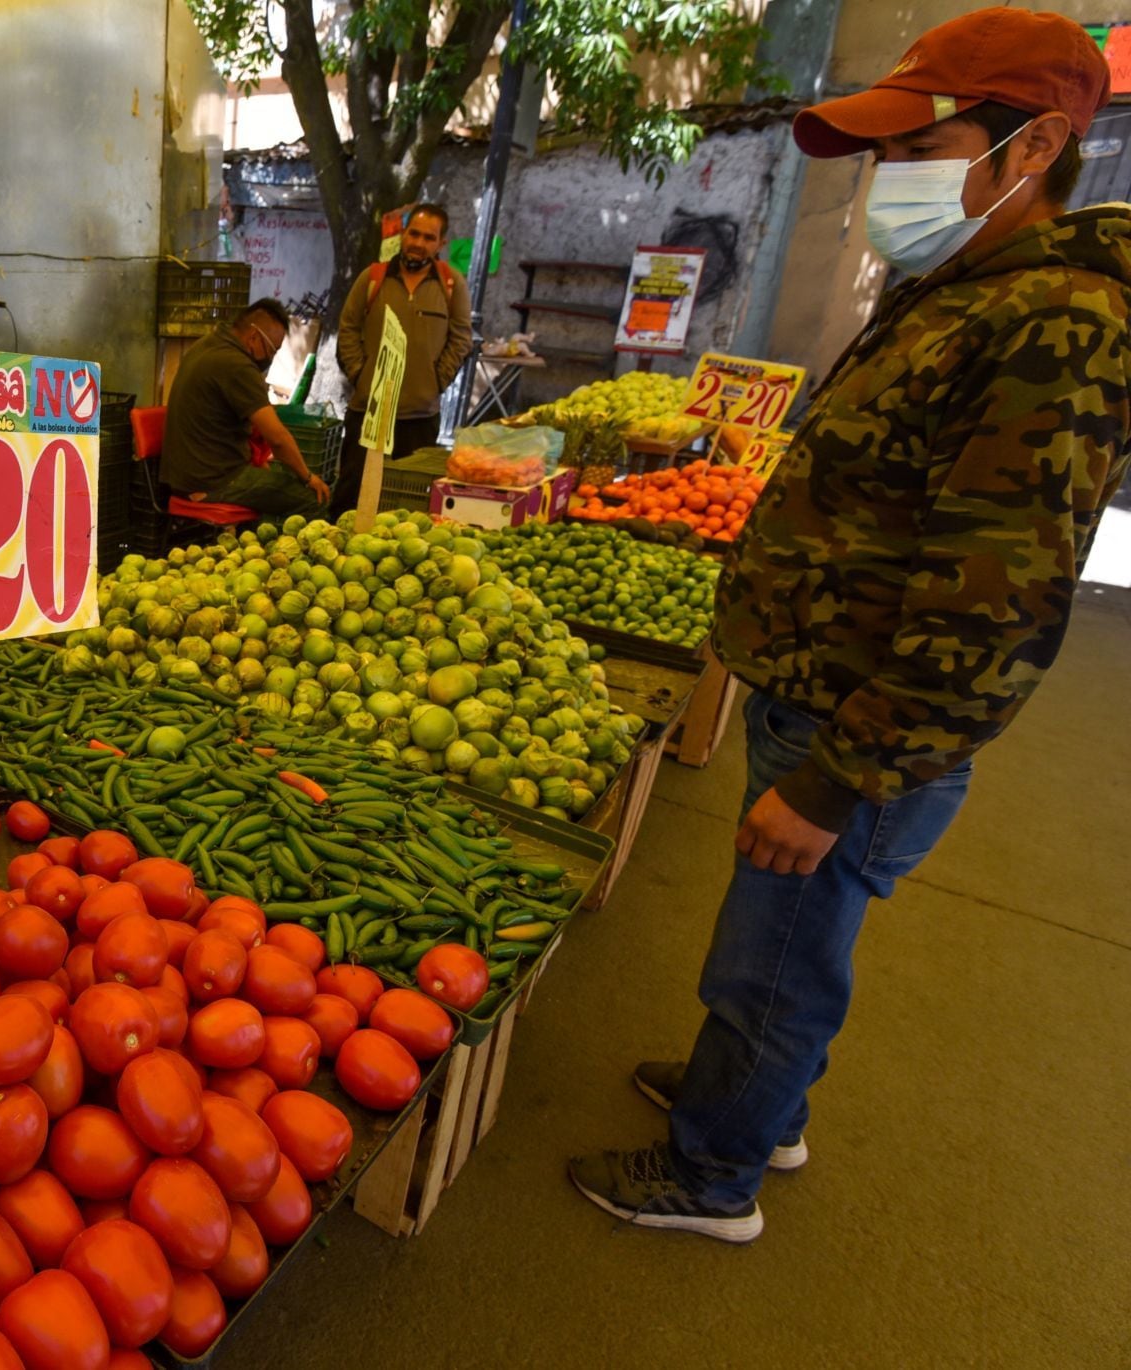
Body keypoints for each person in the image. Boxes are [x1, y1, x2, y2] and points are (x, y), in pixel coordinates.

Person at [569, 6, 1128, 1242]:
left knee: (777, 957)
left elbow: (993, 605)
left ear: (1032, 148)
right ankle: (758, 1108)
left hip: (861, 725)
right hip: (828, 692)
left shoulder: (1055, 324)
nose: (890, 175)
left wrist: (834, 784)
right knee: (784, 946)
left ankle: (716, 1174)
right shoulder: (974, 287)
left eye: (917, 146)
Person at [331, 202, 472, 514]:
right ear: (403, 234)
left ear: (441, 244)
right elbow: (348, 329)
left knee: (405, 507)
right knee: (350, 499)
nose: (419, 243)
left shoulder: (453, 285)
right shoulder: (372, 278)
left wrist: (436, 381)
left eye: (428, 238)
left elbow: (461, 339)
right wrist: (360, 375)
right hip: (368, 412)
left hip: (419, 420)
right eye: (414, 234)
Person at [159, 299, 331, 518]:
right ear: (253, 337)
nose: (271, 358)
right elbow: (277, 439)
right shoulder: (237, 365)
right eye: (272, 350)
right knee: (315, 498)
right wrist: (308, 477)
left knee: (276, 480)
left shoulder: (208, 344)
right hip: (213, 481)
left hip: (187, 477)